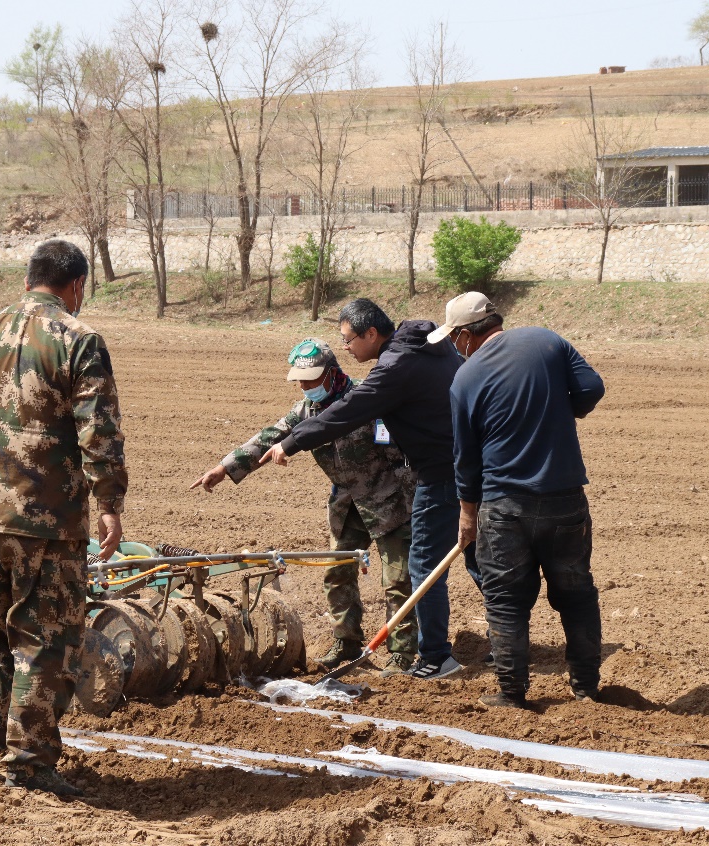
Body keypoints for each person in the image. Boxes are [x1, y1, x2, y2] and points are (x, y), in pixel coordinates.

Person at [0, 239, 127, 795]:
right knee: (44, 638)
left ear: (28, 280)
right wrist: (110, 504)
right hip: (46, 516)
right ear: (75, 287)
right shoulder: (79, 339)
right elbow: (100, 432)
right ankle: (27, 765)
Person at [260, 299, 480, 681]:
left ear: (371, 334)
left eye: (348, 339)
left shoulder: (394, 367)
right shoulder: (430, 344)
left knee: (421, 566)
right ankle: (511, 646)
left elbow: (348, 410)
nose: (345, 348)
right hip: (469, 463)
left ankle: (433, 657)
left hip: (435, 475)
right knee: (482, 560)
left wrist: (292, 443)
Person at [190, 339, 419, 676]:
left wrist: (413, 503)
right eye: (300, 380)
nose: (305, 386)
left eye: (311, 379)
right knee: (337, 573)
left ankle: (401, 653)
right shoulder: (306, 412)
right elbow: (269, 438)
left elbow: (400, 455)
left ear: (331, 373)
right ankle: (347, 643)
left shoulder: (368, 403)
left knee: (397, 579)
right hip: (346, 505)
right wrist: (224, 468)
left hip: (389, 502)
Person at [437, 291, 605, 710]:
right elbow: (591, 388)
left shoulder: (465, 378)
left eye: (453, 339)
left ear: (463, 335)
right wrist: (559, 410)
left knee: (506, 600)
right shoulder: (546, 340)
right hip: (565, 498)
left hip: (503, 505)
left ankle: (511, 693)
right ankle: (585, 686)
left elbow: (466, 457)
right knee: (577, 592)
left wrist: (467, 513)